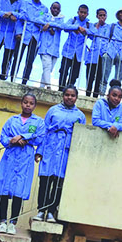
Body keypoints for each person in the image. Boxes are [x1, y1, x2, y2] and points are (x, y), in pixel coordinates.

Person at [0, 94, 45, 235]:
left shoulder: (38, 122)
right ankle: (2, 221)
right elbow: (3, 137)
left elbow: (40, 137)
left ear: (34, 106)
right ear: (21, 103)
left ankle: (13, 223)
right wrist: (12, 140)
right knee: (3, 190)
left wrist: (24, 137)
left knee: (18, 192)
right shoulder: (12, 120)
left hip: (25, 158)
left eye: (31, 103)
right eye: (25, 102)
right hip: (10, 157)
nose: (28, 105)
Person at [34, 86, 86, 222]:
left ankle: (51, 211)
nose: (70, 98)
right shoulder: (53, 110)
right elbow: (44, 132)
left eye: (73, 95)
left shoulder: (80, 116)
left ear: (76, 97)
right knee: (45, 181)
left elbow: (80, 137)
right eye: (67, 95)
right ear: (63, 96)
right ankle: (41, 210)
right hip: (50, 149)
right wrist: (39, 151)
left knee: (58, 183)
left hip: (65, 151)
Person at [20, 0, 49, 84]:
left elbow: (42, 19)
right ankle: (13, 76)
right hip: (24, 33)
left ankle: (25, 80)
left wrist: (36, 21)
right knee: (17, 57)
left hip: (35, 36)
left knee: (30, 60)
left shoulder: (44, 9)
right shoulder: (26, 3)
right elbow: (22, 15)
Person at [100, 8, 122, 95]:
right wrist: (104, 51)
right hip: (111, 51)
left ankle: (114, 93)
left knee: (118, 77)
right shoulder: (112, 26)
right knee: (105, 73)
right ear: (118, 15)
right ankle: (102, 92)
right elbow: (105, 39)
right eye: (121, 13)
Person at [59, 5, 89, 89]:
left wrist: (84, 31)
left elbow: (93, 33)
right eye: (81, 12)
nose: (82, 14)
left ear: (87, 14)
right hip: (69, 50)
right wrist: (76, 27)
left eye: (84, 13)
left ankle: (69, 88)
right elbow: (65, 27)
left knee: (75, 73)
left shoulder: (88, 24)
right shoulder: (73, 20)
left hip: (79, 53)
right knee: (63, 70)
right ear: (78, 12)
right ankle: (61, 88)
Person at [37, 2, 65, 89]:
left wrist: (49, 25)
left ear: (59, 10)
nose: (55, 10)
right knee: (47, 66)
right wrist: (47, 25)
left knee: (49, 69)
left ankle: (41, 86)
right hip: (45, 47)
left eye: (57, 9)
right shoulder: (45, 15)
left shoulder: (61, 19)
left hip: (54, 49)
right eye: (54, 8)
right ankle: (49, 86)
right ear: (50, 8)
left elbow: (61, 26)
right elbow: (37, 20)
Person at [85, 8, 108, 97]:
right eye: (100, 15)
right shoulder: (93, 26)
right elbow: (90, 35)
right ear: (97, 16)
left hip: (102, 55)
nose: (102, 17)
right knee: (90, 76)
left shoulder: (108, 27)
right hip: (92, 54)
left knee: (99, 77)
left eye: (104, 15)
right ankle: (87, 94)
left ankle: (95, 96)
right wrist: (98, 25)